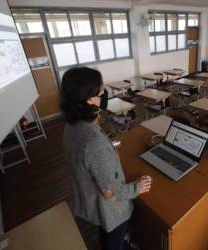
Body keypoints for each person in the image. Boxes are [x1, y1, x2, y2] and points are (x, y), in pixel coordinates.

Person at [61, 67, 152, 250]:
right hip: (110, 211)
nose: (104, 93)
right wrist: (138, 187)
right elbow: (111, 193)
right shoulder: (93, 141)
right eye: (100, 91)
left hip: (91, 202)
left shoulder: (71, 126)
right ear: (88, 99)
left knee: (107, 232)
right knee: (114, 238)